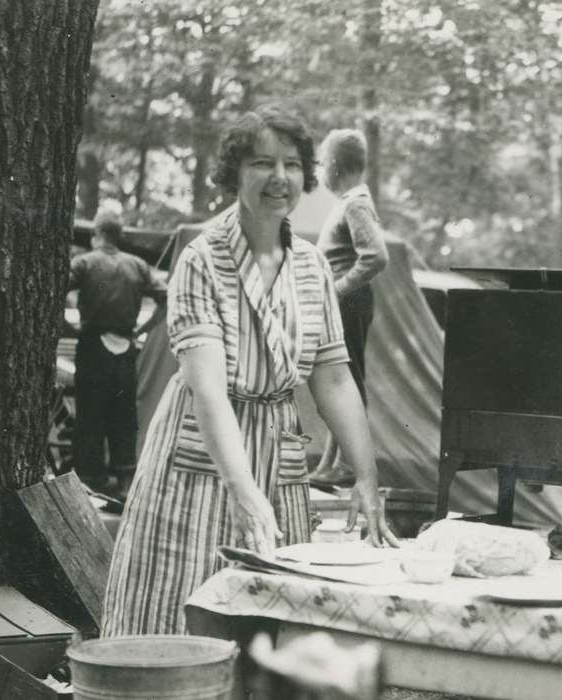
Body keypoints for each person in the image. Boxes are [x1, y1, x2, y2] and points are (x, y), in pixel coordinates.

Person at [102, 104, 398, 638]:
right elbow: (209, 389)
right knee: (176, 613)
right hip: (200, 461)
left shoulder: (310, 266)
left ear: (308, 175)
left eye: (291, 164)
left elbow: (332, 376)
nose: (279, 178)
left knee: (266, 624)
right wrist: (243, 490)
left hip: (277, 457)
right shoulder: (202, 258)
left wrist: (366, 474)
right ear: (235, 171)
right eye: (262, 163)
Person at [308, 128, 388, 487]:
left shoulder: (355, 203)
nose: (320, 169)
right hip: (340, 304)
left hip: (349, 303)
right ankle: (330, 463)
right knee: (335, 378)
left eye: (323, 162)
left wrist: (338, 288)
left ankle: (347, 465)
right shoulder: (347, 202)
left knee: (347, 382)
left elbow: (376, 257)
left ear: (336, 165)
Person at [68, 211, 167, 498]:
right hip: (125, 346)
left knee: (89, 414)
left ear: (97, 234)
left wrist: (70, 327)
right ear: (119, 235)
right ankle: (124, 482)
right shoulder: (137, 265)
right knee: (123, 415)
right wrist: (143, 327)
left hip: (92, 344)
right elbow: (167, 296)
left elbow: (55, 286)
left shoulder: (85, 262)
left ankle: (89, 480)